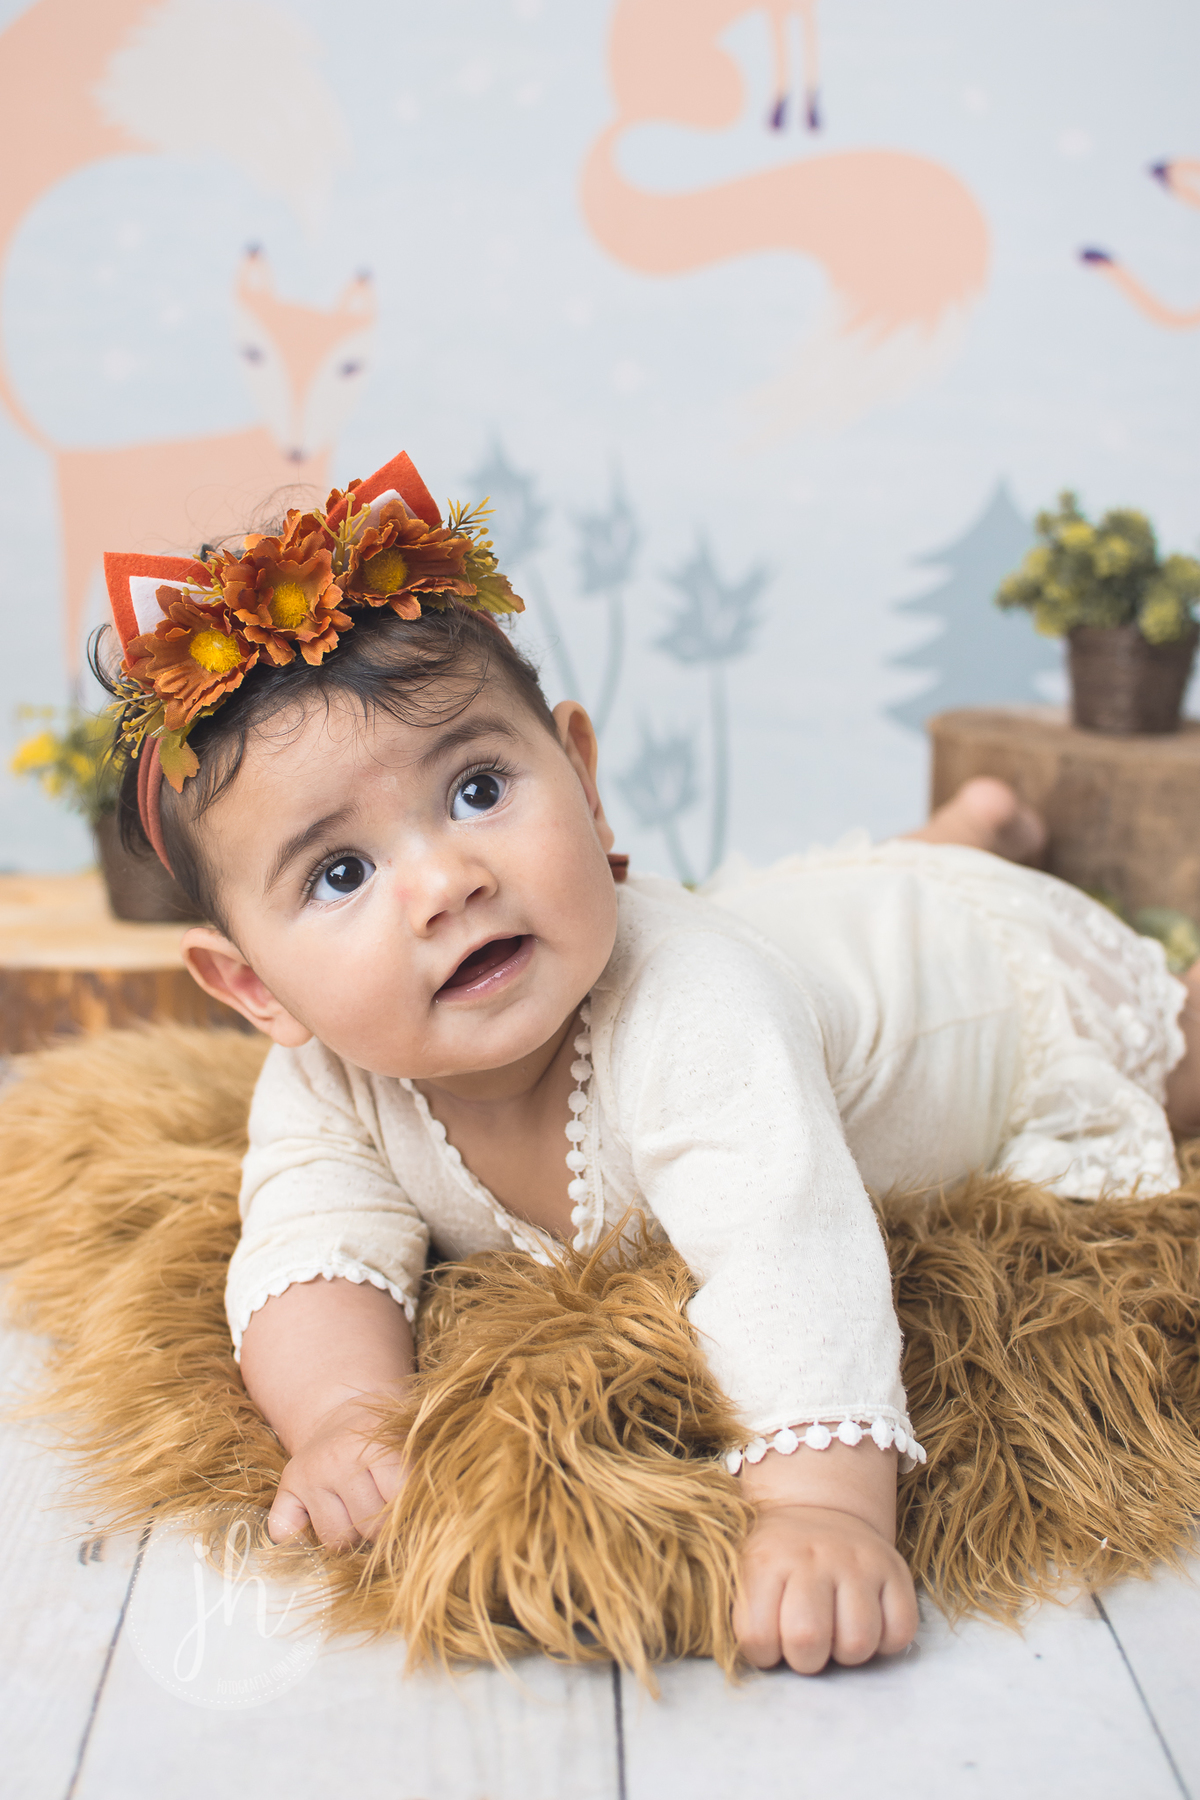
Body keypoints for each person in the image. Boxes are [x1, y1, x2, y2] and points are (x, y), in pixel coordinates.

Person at [100, 452, 1200, 1678]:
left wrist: (822, 1508)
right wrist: (344, 1419)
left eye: (477, 789)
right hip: (802, 928)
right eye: (341, 873)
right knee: (801, 905)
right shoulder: (329, 1081)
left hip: (976, 981)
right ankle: (970, 826)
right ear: (254, 987)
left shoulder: (696, 1008)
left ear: (583, 778)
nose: (446, 881)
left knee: (1167, 1049)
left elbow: (789, 1252)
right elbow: (306, 1252)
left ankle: (976, 852)